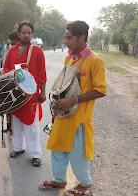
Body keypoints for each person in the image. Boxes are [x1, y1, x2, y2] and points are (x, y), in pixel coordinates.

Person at [39, 21, 107, 196]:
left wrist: (74, 99)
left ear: (82, 38)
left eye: (69, 38)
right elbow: (65, 84)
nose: (66, 41)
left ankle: (84, 184)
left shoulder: (95, 61)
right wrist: (57, 100)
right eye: (65, 37)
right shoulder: (69, 58)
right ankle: (59, 179)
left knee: (78, 154)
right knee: (58, 147)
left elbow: (100, 90)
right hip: (64, 114)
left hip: (80, 119)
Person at [3, 21, 47, 167]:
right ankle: (18, 148)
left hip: (32, 95)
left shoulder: (37, 51)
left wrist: (43, 92)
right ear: (18, 34)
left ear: (32, 34)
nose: (26, 35)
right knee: (16, 122)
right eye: (24, 32)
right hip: (15, 94)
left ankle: (35, 154)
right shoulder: (12, 51)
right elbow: (6, 70)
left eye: (29, 32)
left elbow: (42, 73)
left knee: (32, 124)